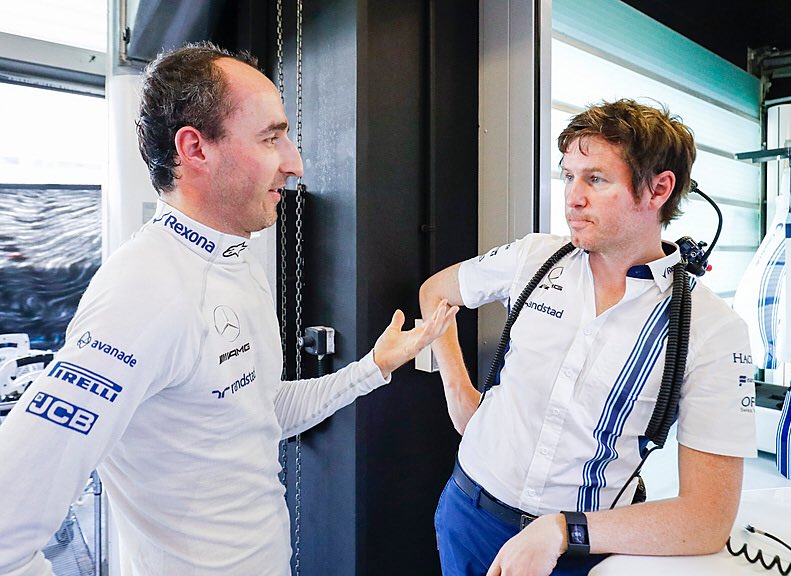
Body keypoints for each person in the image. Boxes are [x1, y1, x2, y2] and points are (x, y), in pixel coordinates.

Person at [0, 42, 457, 576]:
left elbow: (256, 414)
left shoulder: (237, 263)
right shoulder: (142, 293)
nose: (295, 163)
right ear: (195, 148)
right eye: (270, 138)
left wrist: (373, 367)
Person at [420, 99, 756, 576]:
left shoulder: (711, 328)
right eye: (568, 177)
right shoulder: (533, 257)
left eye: (595, 179)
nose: (573, 198)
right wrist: (458, 392)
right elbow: (435, 292)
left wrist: (564, 531)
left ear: (659, 189)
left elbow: (706, 520)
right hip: (467, 513)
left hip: (580, 552)